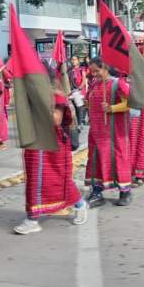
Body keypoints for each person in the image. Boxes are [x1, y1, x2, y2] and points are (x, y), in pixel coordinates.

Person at [14, 60, 87, 234]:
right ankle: (32, 218)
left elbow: (56, 120)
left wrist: (39, 103)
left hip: (52, 145)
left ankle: (80, 204)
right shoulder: (31, 94)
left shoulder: (56, 95)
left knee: (58, 179)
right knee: (33, 180)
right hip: (35, 144)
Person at [85, 58, 132, 207]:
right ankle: (97, 192)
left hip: (114, 132)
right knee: (95, 160)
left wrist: (112, 108)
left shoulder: (118, 83)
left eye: (96, 71)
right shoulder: (94, 83)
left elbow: (131, 103)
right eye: (92, 72)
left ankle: (125, 192)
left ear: (105, 67)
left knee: (118, 158)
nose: (94, 74)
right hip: (96, 131)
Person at [69, 55, 88, 126]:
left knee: (79, 107)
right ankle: (78, 122)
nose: (73, 61)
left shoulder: (81, 69)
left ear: (78, 61)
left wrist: (79, 89)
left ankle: (80, 124)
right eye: (72, 60)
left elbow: (83, 80)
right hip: (72, 91)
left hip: (79, 91)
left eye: (75, 59)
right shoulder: (69, 70)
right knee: (75, 108)